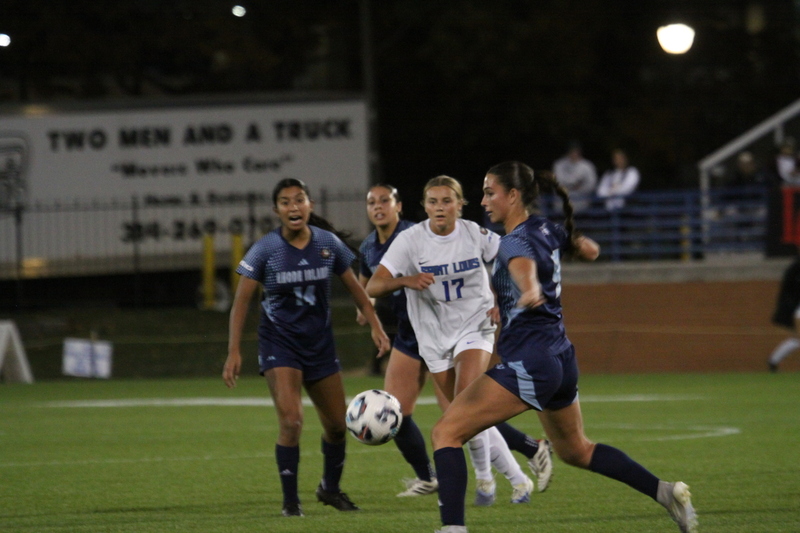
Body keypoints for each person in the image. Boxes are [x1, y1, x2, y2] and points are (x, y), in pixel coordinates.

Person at [430, 161, 698, 533]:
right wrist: (550, 263)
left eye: (491, 192)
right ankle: (664, 491)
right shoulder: (544, 227)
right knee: (577, 451)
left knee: (446, 433)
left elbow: (523, 267)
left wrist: (529, 289)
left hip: (532, 362)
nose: (484, 200)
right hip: (560, 358)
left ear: (513, 195)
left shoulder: (512, 241)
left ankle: (452, 530)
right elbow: (590, 250)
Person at [366, 176, 552, 506]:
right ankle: (516, 476)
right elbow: (374, 286)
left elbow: (508, 257)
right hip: (431, 336)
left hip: (474, 325)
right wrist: (408, 279)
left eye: (447, 201)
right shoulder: (410, 240)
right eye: (434, 202)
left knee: (467, 404)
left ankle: (484, 482)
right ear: (425, 207)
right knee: (459, 413)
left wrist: (501, 297)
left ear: (460, 204)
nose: (440, 207)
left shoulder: (474, 234)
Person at [222, 177, 391, 518]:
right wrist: (234, 351)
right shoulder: (265, 249)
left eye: (299, 200)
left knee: (337, 427)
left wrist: (375, 323)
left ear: (310, 205)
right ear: (277, 211)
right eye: (285, 202)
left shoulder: (327, 244)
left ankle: (329, 488)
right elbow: (241, 301)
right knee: (292, 421)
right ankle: (290, 503)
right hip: (279, 345)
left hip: (320, 346)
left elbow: (357, 288)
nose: (293, 207)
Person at [768, 251, 800, 372]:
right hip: (798, 310)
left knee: (797, 341)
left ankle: (773, 360)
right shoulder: (794, 269)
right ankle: (773, 360)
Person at [552, 141, 597, 212]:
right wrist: (574, 185)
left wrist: (579, 187)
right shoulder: (559, 165)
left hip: (582, 205)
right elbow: (556, 183)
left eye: (576, 150)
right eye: (571, 150)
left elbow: (591, 185)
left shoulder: (587, 166)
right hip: (562, 207)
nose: (574, 153)